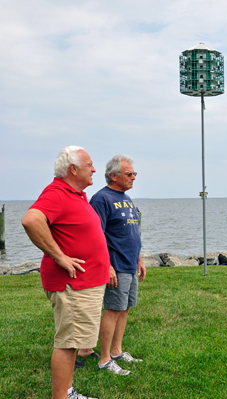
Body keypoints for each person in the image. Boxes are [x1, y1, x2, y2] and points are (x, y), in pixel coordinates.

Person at [22, 146, 109, 399]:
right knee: (68, 343)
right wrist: (59, 256)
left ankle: (68, 392)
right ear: (73, 169)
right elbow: (31, 220)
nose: (94, 169)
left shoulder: (76, 194)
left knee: (73, 342)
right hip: (73, 285)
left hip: (85, 283)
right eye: (89, 165)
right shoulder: (57, 193)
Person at [88, 154, 146, 375]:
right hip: (116, 266)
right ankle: (104, 360)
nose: (133, 178)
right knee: (113, 310)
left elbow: (133, 233)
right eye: (129, 174)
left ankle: (117, 351)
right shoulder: (101, 199)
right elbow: (96, 236)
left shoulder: (126, 199)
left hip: (131, 263)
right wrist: (107, 266)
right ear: (113, 176)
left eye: (134, 174)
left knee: (126, 308)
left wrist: (140, 260)